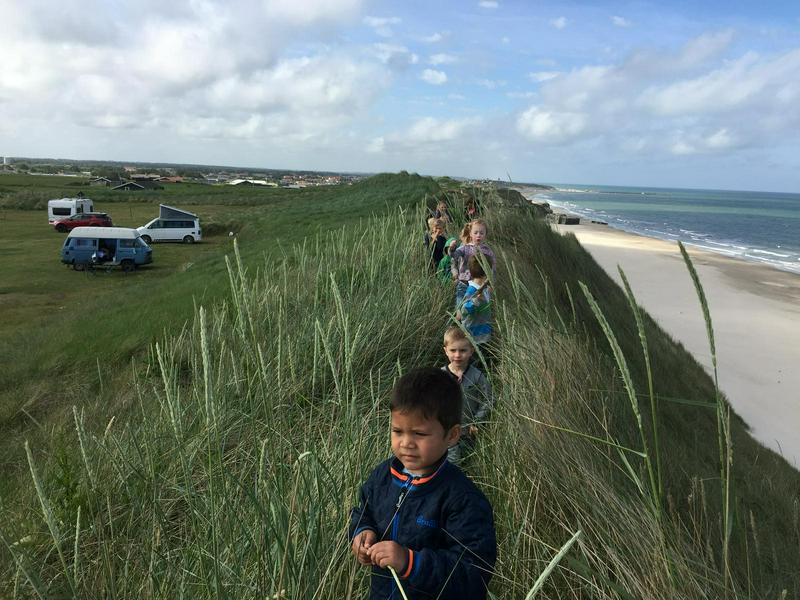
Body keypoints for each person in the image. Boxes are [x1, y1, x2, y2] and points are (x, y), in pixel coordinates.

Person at [350, 368, 497, 599]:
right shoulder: (382, 477)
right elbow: (363, 511)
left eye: (419, 434)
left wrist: (410, 562)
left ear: (452, 435)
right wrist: (362, 532)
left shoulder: (462, 498)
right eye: (398, 431)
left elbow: (474, 572)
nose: (406, 443)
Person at [441, 327, 493, 464]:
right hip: (446, 430)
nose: (457, 355)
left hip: (468, 431)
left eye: (463, 350)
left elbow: (489, 399)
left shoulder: (477, 376)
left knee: (468, 461)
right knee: (452, 462)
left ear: (472, 350)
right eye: (453, 350)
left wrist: (477, 421)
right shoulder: (440, 376)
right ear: (446, 351)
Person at [450, 219, 495, 307]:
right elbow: (454, 255)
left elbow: (492, 267)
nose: (478, 235)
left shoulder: (488, 251)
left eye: (482, 233)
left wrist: (491, 283)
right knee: (460, 307)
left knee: (474, 308)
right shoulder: (465, 248)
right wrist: (452, 249)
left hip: (479, 285)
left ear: (485, 235)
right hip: (464, 283)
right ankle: (458, 318)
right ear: (470, 233)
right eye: (476, 233)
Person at [458, 254, 493, 345]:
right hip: (474, 337)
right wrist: (475, 301)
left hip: (485, 334)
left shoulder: (484, 288)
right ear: (486, 271)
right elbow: (464, 310)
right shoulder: (472, 290)